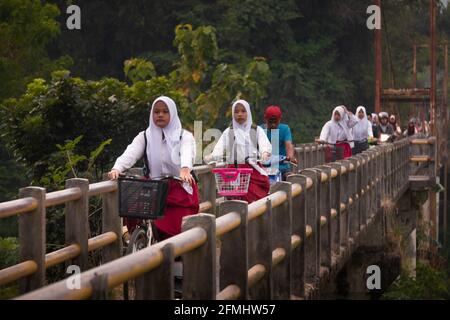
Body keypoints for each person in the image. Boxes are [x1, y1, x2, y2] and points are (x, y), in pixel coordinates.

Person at [108, 96, 199, 241]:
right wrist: (117, 168)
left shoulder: (184, 136)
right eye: (156, 112)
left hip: (178, 185)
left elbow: (188, 152)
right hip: (154, 186)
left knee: (177, 226)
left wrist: (185, 169)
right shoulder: (145, 136)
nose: (160, 115)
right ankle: (137, 239)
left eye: (165, 111)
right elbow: (131, 152)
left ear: (173, 114)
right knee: (133, 205)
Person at [205, 99, 272, 203]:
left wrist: (265, 152)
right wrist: (212, 156)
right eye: (236, 112)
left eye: (243, 111)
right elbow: (220, 148)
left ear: (248, 113)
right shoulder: (229, 132)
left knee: (255, 199)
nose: (240, 114)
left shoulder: (255, 130)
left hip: (252, 171)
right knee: (235, 201)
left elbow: (264, 143)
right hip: (234, 172)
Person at [260, 105, 298, 180]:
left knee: (291, 179)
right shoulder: (260, 130)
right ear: (265, 119)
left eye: (275, 122)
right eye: (270, 122)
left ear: (280, 119)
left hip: (282, 169)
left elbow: (288, 145)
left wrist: (290, 156)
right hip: (264, 169)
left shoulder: (285, 129)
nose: (273, 125)